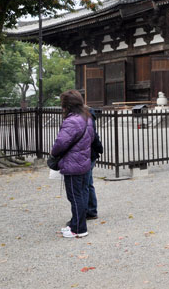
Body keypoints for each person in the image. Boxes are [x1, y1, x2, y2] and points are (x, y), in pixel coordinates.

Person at [51, 90, 95, 238]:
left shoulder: (71, 121)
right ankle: (75, 223)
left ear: (67, 105)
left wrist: (54, 153)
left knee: (75, 197)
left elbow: (61, 142)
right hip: (83, 161)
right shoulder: (87, 118)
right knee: (80, 195)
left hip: (72, 164)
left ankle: (79, 229)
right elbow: (91, 138)